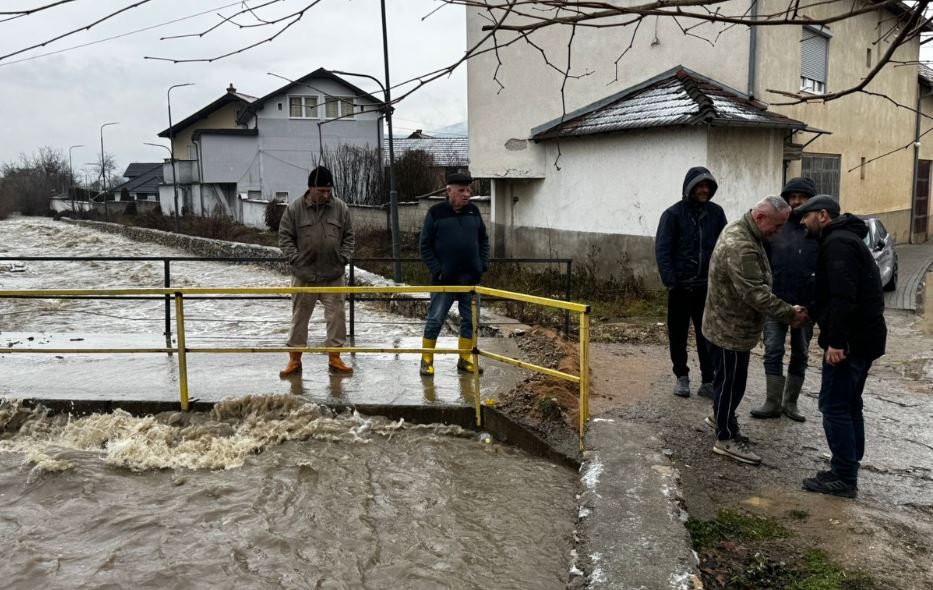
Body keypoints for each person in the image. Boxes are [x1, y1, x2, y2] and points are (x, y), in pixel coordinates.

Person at [702, 196, 808, 465]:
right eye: (777, 225)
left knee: (730, 383)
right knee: (730, 386)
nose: (779, 231)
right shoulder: (741, 245)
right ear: (760, 218)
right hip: (730, 330)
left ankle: (721, 417)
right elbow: (755, 293)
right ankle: (725, 437)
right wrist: (788, 313)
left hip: (732, 325)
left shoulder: (747, 230)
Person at [797, 195, 887, 498]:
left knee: (834, 406)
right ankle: (847, 465)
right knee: (850, 404)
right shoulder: (847, 240)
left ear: (823, 215)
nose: (801, 221)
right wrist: (811, 310)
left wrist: (836, 342)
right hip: (865, 339)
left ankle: (844, 477)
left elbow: (843, 298)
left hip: (850, 342)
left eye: (805, 215)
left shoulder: (838, 245)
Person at [751, 177, 820, 422]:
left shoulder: (817, 230)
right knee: (773, 351)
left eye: (802, 196)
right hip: (775, 301)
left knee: (800, 353)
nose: (797, 200)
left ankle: (790, 403)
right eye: (792, 196)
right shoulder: (777, 226)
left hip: (807, 306)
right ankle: (772, 402)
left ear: (811, 200)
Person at [655, 167, 728, 398]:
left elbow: (724, 246)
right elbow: (663, 251)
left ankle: (709, 379)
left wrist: (722, 279)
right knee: (678, 334)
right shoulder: (673, 215)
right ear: (689, 188)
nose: (704, 190)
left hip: (707, 287)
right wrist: (671, 282)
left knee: (707, 334)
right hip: (680, 288)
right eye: (699, 186)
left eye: (707, 186)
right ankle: (682, 376)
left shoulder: (717, 213)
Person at [278, 165, 355, 377]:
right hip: (304, 275)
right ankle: (295, 360)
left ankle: (335, 358)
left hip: (333, 274)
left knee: (337, 317)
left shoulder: (340, 208)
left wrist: (343, 257)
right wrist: (295, 259)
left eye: (328, 190)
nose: (326, 194)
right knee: (300, 318)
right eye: (321, 190)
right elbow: (285, 237)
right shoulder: (294, 209)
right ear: (310, 188)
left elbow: (349, 236)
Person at [419, 172, 490, 376]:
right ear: (449, 191)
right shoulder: (435, 213)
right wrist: (438, 270)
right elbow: (425, 246)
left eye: (468, 190)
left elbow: (484, 240)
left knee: (470, 321)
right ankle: (426, 360)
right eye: (461, 190)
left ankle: (465, 359)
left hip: (471, 280)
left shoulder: (474, 212)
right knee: (435, 319)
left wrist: (482, 264)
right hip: (445, 281)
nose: (466, 194)